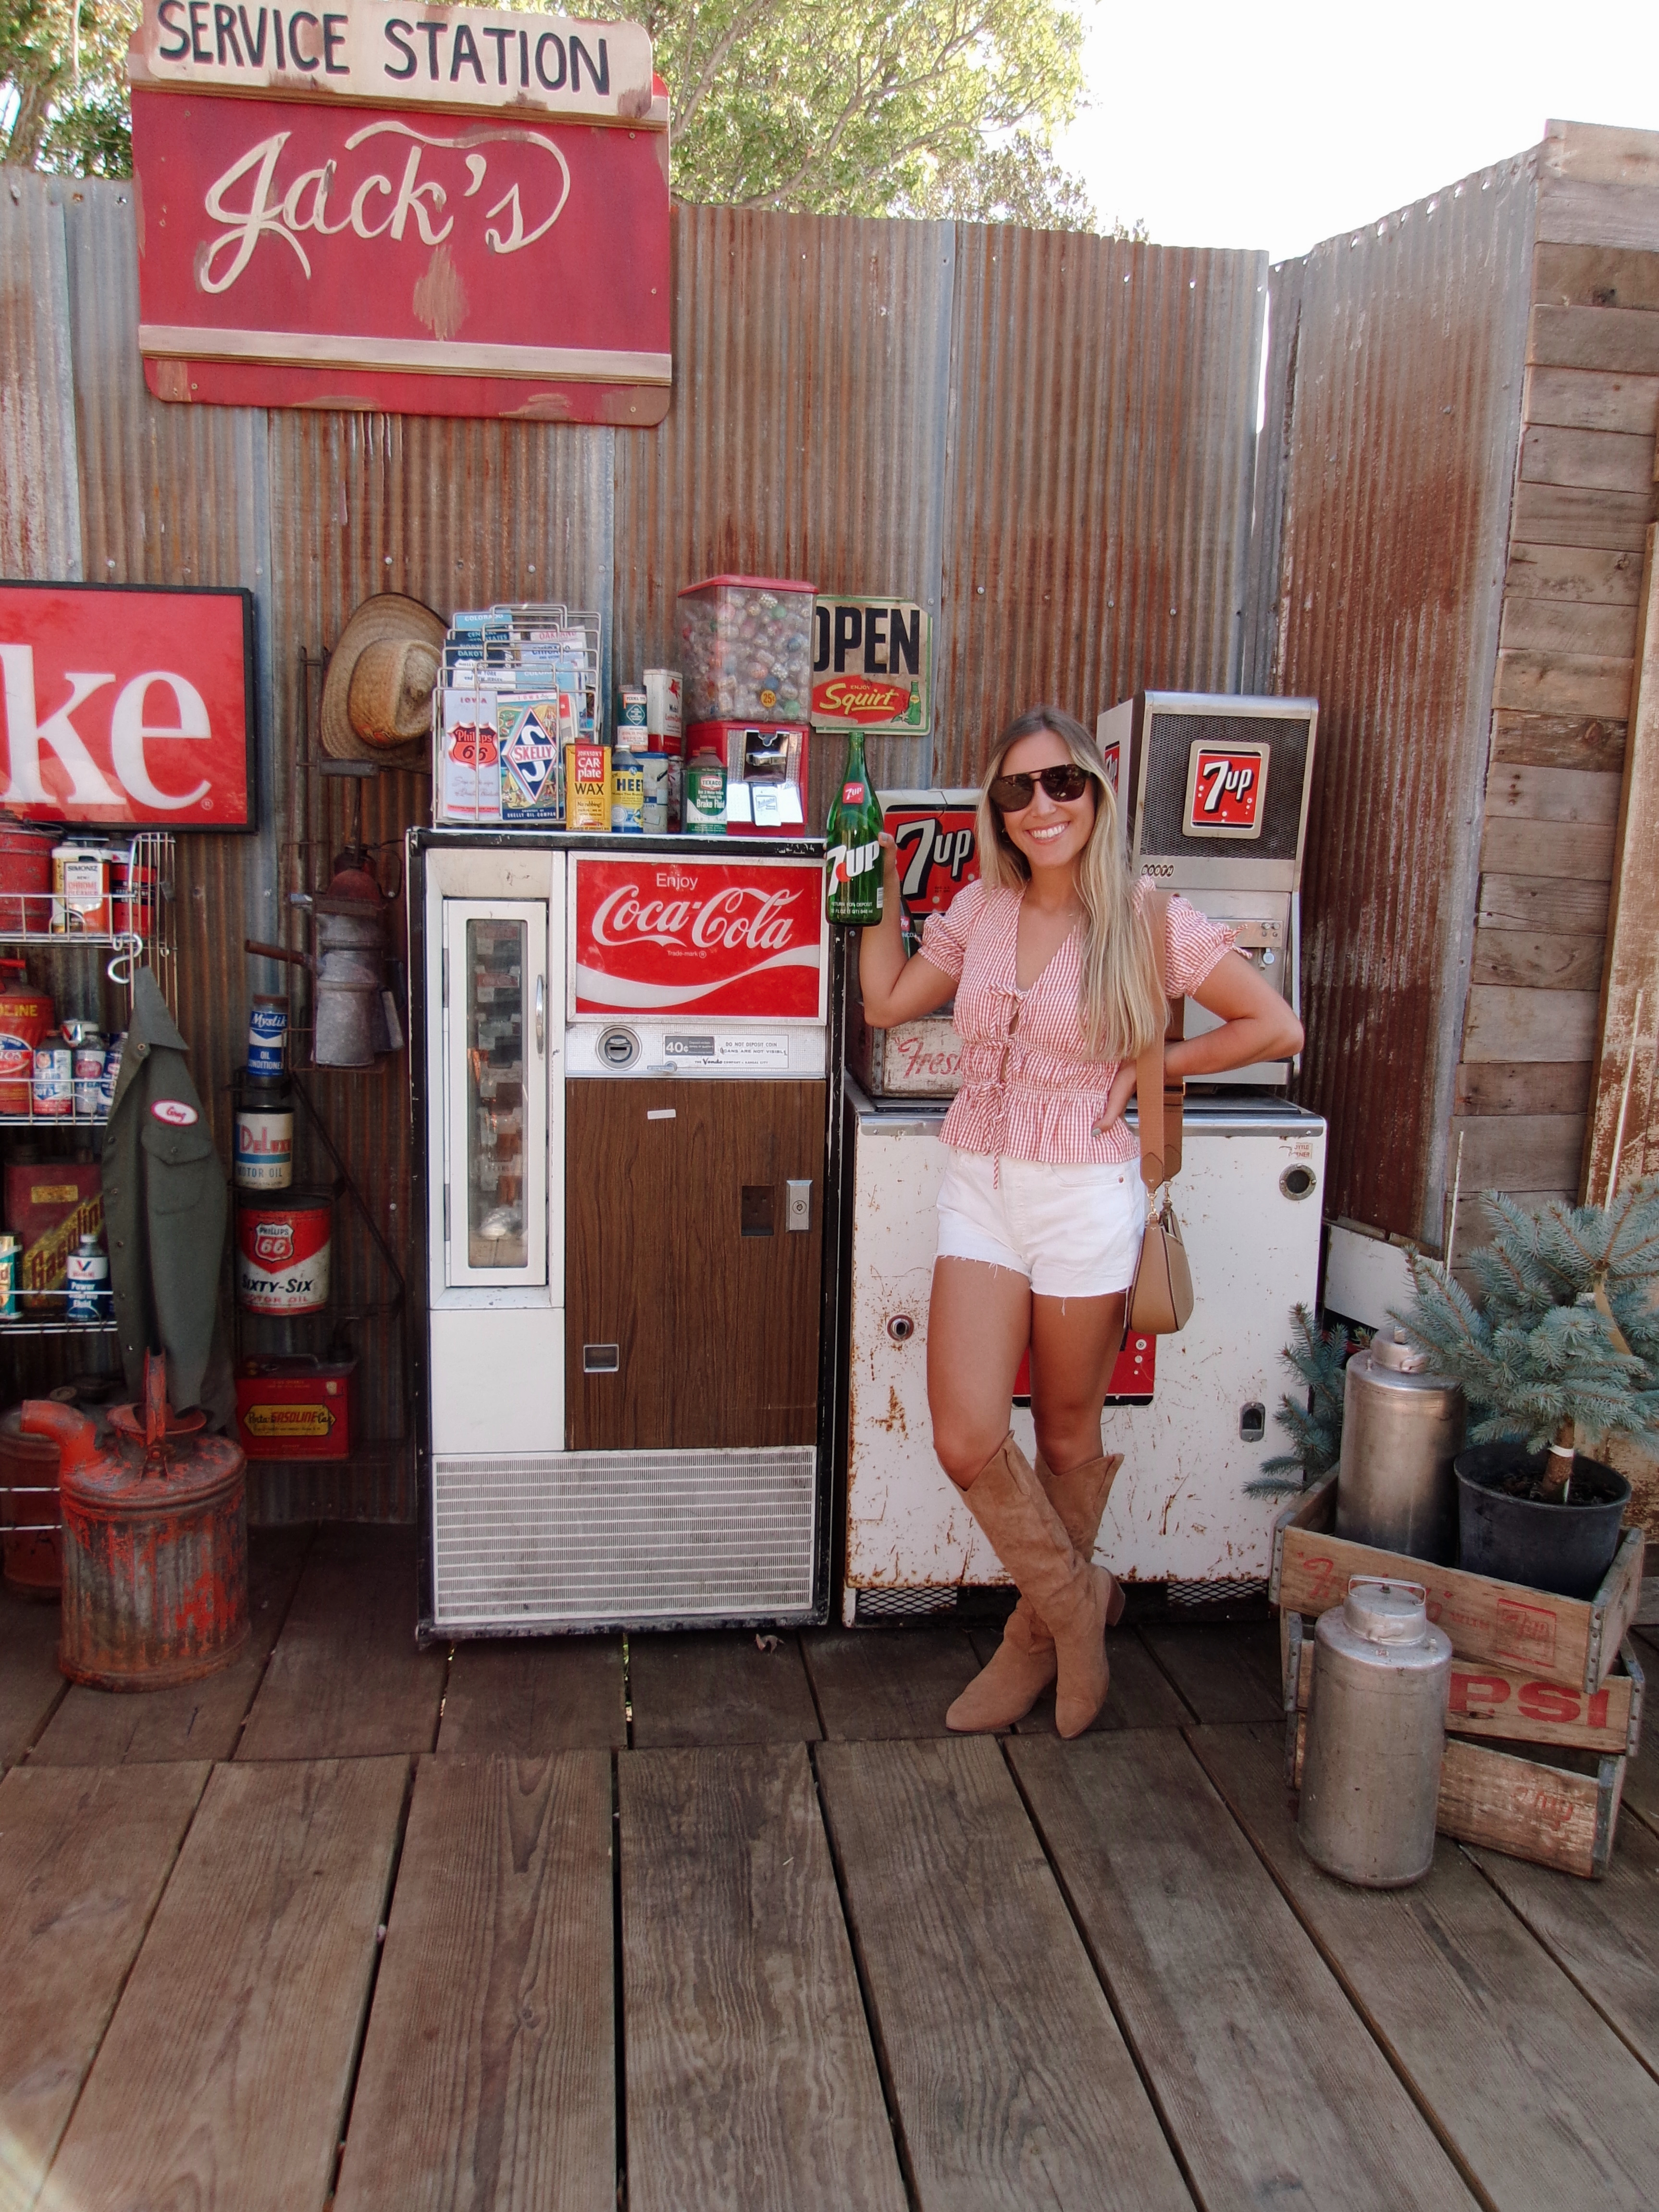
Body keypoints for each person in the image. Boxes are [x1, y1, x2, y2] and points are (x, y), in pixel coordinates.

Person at [858, 706, 1304, 1737]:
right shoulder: (980, 908)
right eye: (1016, 790)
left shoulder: (1146, 918)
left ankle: (1030, 1640)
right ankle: (1075, 1608)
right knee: (967, 1437)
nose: (1041, 807)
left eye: (1061, 783)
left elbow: (1274, 1024)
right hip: (981, 1186)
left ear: (1095, 793)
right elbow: (884, 1001)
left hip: (1085, 1201)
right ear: (997, 809)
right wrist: (876, 878)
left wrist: (1154, 1068)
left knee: (1065, 1436)